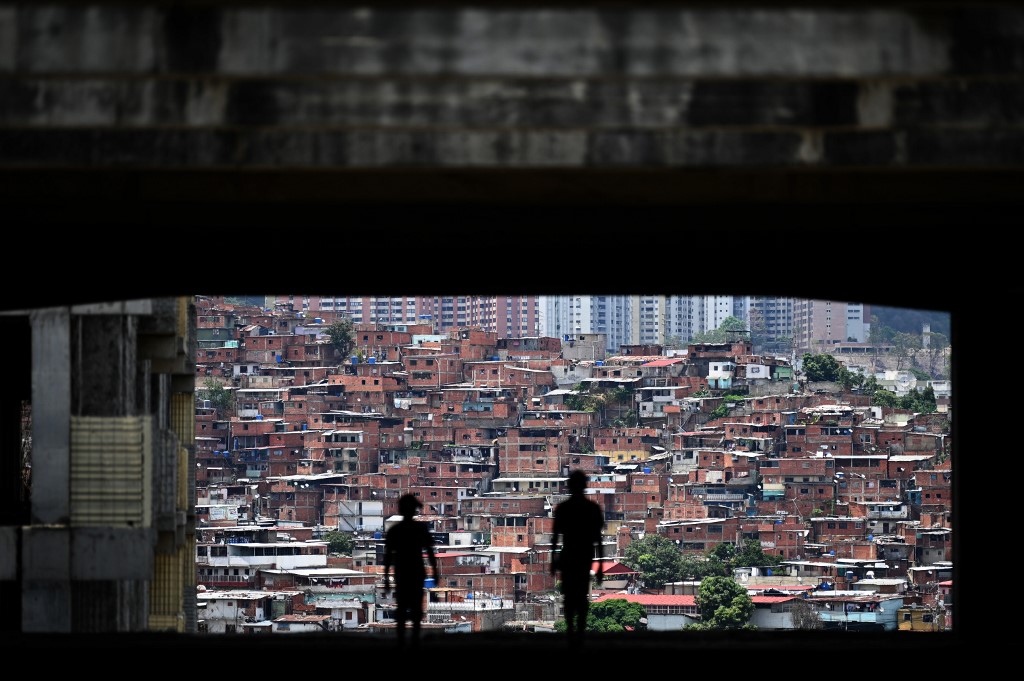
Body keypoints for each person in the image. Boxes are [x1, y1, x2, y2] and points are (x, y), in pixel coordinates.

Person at [550, 470, 605, 645]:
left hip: (570, 558)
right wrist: (600, 566)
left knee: (571, 596)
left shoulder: (563, 509)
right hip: (583, 557)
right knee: (580, 596)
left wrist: (553, 560)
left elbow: (555, 537)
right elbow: (598, 540)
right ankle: (578, 632)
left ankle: (572, 632)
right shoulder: (592, 509)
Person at [383, 493, 439, 647]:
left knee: (402, 608)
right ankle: (414, 640)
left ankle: (402, 641)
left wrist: (387, 578)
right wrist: (435, 573)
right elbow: (430, 552)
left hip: (402, 573)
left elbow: (388, 556)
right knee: (415, 608)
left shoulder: (395, 530)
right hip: (416, 573)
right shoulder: (419, 529)